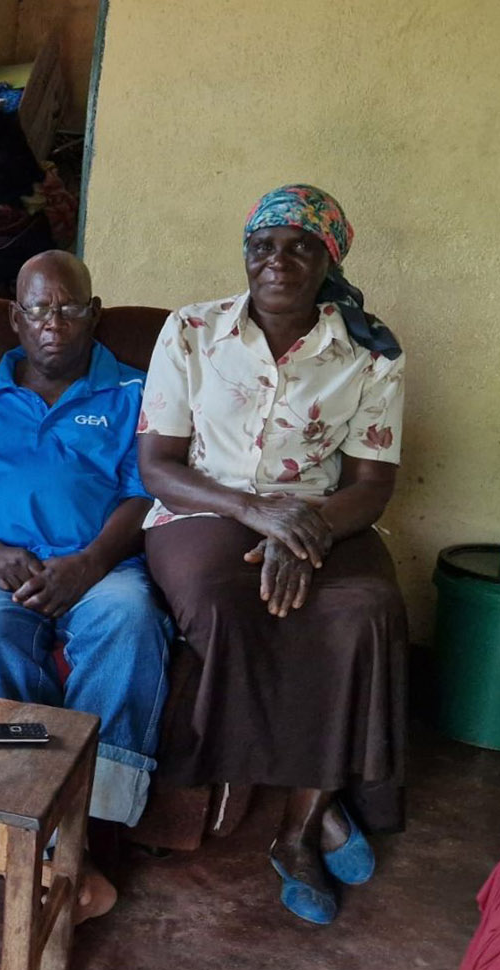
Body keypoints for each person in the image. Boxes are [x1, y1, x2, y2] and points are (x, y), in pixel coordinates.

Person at [137, 183, 409, 926]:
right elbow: (156, 463)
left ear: (329, 260)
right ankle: (315, 810)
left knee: (362, 610)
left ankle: (296, 832)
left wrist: (304, 531)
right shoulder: (191, 330)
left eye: (299, 247)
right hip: (204, 507)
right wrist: (256, 513)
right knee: (225, 601)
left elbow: (372, 484)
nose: (277, 261)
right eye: (263, 245)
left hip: (324, 514)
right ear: (245, 254)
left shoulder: (368, 352)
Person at [0, 250, 171, 921]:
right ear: (15, 317)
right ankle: (48, 835)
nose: (53, 322)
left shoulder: (134, 393)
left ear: (92, 314)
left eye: (68, 307)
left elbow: (143, 493)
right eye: (38, 307)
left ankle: (75, 835)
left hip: (99, 565)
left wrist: (90, 563)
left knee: (129, 619)